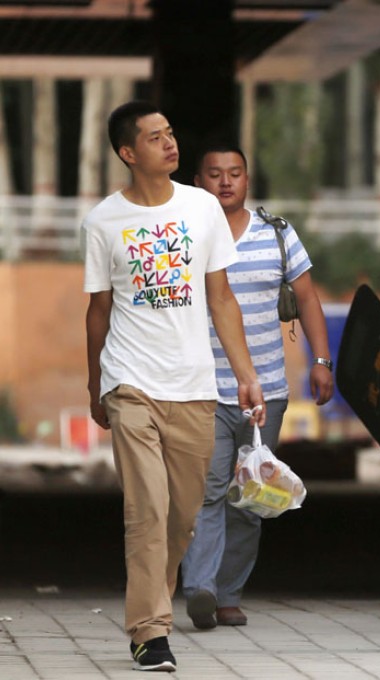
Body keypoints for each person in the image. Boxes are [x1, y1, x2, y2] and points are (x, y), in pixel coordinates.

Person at [83, 101, 265, 673]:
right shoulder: (102, 221)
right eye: (155, 137)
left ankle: (152, 604)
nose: (169, 143)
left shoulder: (203, 208)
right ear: (128, 153)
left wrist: (246, 373)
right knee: (147, 509)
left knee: (183, 516)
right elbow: (98, 311)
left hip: (193, 386)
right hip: (130, 382)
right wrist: (96, 386)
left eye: (170, 132)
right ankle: (150, 632)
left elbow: (221, 299)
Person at [180, 145, 334, 631]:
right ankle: (200, 588)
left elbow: (307, 299)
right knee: (205, 494)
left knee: (250, 497)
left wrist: (321, 360)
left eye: (235, 173)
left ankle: (228, 595)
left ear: (247, 179)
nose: (225, 182)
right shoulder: (183, 234)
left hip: (265, 392)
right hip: (201, 390)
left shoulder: (277, 234)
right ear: (197, 181)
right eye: (215, 174)